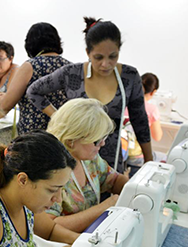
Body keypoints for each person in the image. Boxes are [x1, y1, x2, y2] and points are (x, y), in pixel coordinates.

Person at [27, 17, 153, 173]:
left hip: (110, 159)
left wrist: (149, 163)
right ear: (88, 52)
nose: (106, 64)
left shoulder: (129, 76)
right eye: (98, 57)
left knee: (111, 194)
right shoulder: (71, 73)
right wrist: (60, 117)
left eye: (112, 56)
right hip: (75, 161)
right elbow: (33, 91)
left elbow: (140, 121)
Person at [46, 98, 129, 232]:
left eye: (103, 138)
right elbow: (50, 226)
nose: (102, 144)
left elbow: (113, 180)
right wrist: (104, 207)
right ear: (71, 140)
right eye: (96, 140)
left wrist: (135, 189)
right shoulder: (49, 170)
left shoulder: (89, 159)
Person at [0, 23, 71, 135]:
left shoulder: (30, 66)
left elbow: (5, 105)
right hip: (62, 135)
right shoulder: (70, 67)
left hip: (34, 138)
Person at [127, 73, 164, 174]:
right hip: (137, 156)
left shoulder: (125, 104)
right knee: (166, 158)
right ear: (153, 92)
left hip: (123, 153)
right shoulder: (152, 109)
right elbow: (157, 137)